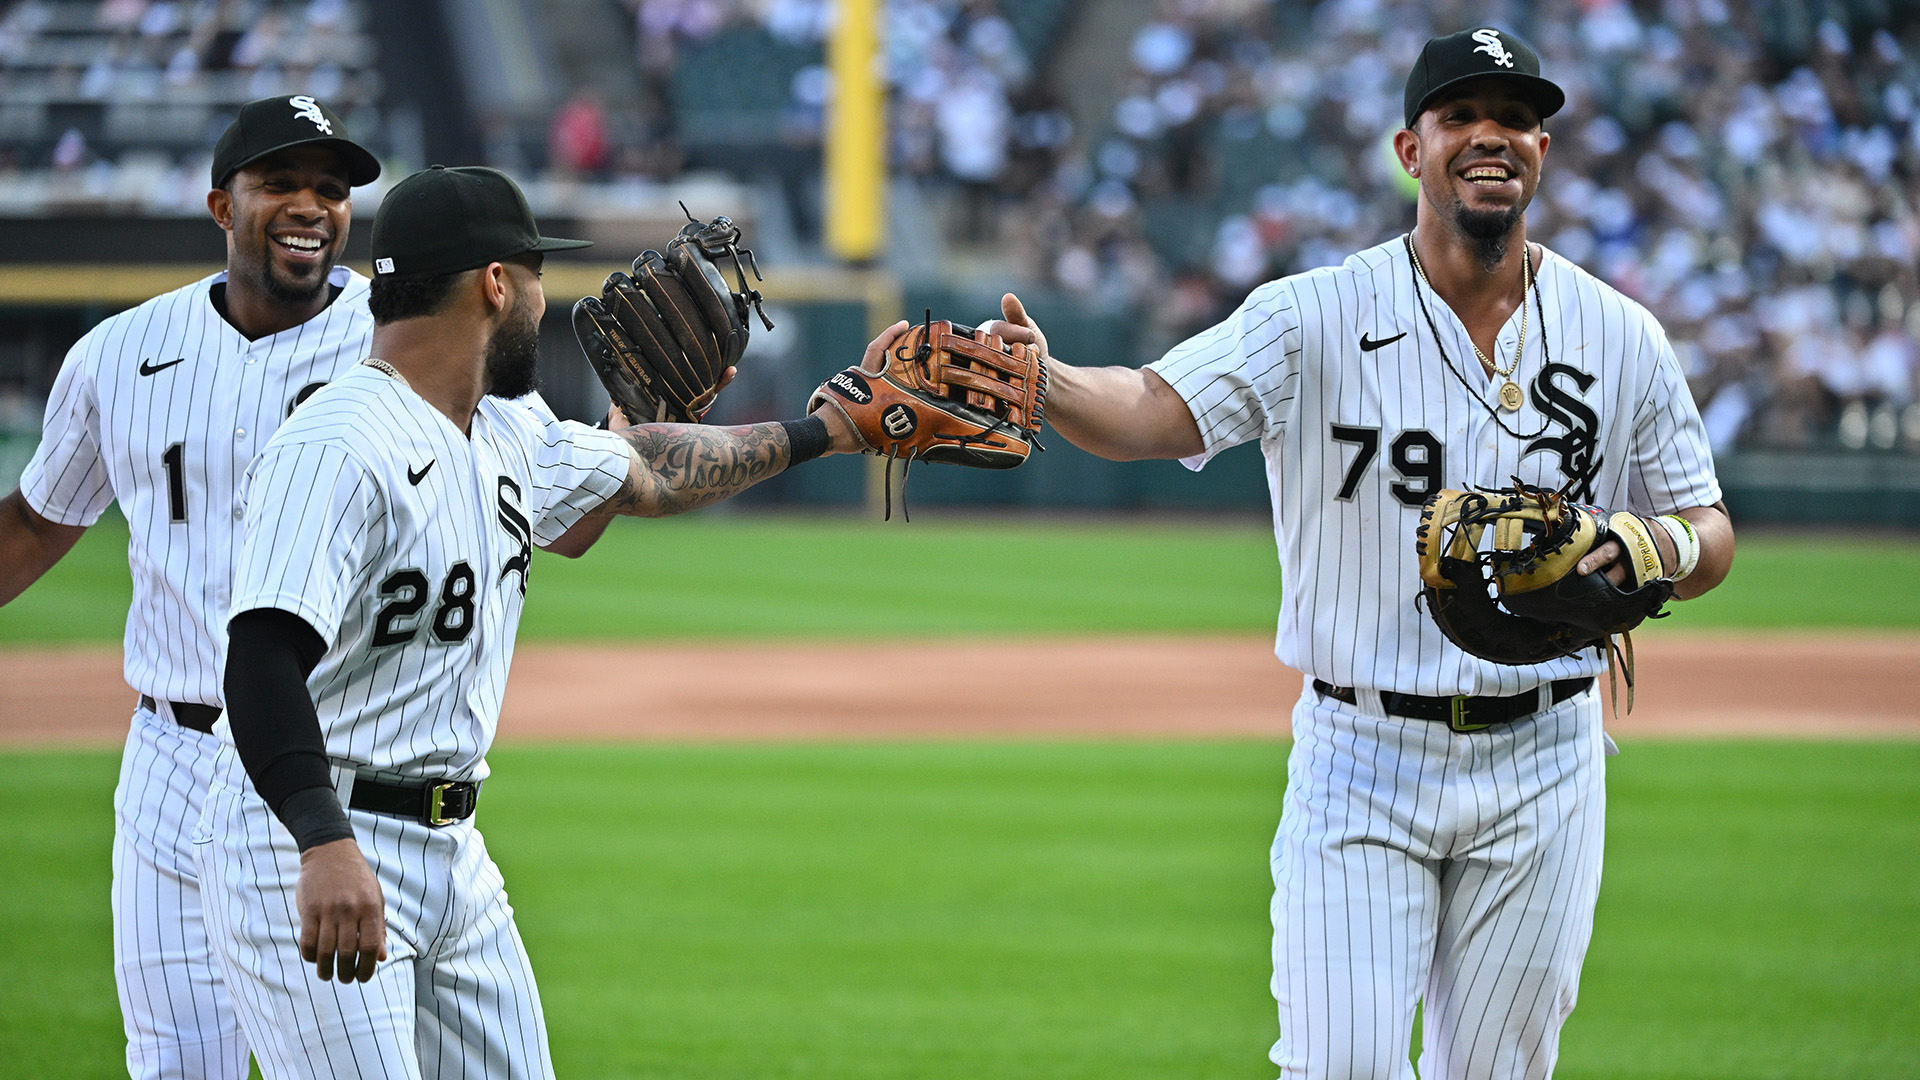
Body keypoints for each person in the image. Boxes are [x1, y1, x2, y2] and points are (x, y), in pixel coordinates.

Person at [991, 28, 1734, 1080]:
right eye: (1461, 116)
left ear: (1543, 151)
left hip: (1547, 763)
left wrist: (1641, 540)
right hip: (1363, 756)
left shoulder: (1623, 336)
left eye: (1516, 118)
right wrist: (1049, 379)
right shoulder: (1314, 317)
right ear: (1409, 147)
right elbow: (1157, 407)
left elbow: (1708, 531)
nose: (1492, 136)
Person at [197, 164, 889, 1079]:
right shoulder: (336, 444)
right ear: (493, 283)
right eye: (533, 274)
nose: (540, 296)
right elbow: (259, 660)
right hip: (308, 837)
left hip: (454, 847)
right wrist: (322, 841)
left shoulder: (508, 428)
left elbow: (642, 474)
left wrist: (832, 429)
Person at [0, 95, 391, 1080]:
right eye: (284, 183)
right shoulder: (118, 356)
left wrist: (630, 426)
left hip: (332, 762)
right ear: (224, 203)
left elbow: (564, 515)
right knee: (175, 1065)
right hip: (170, 761)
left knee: (347, 1064)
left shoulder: (402, 347)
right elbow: (37, 524)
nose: (312, 206)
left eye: (332, 189)